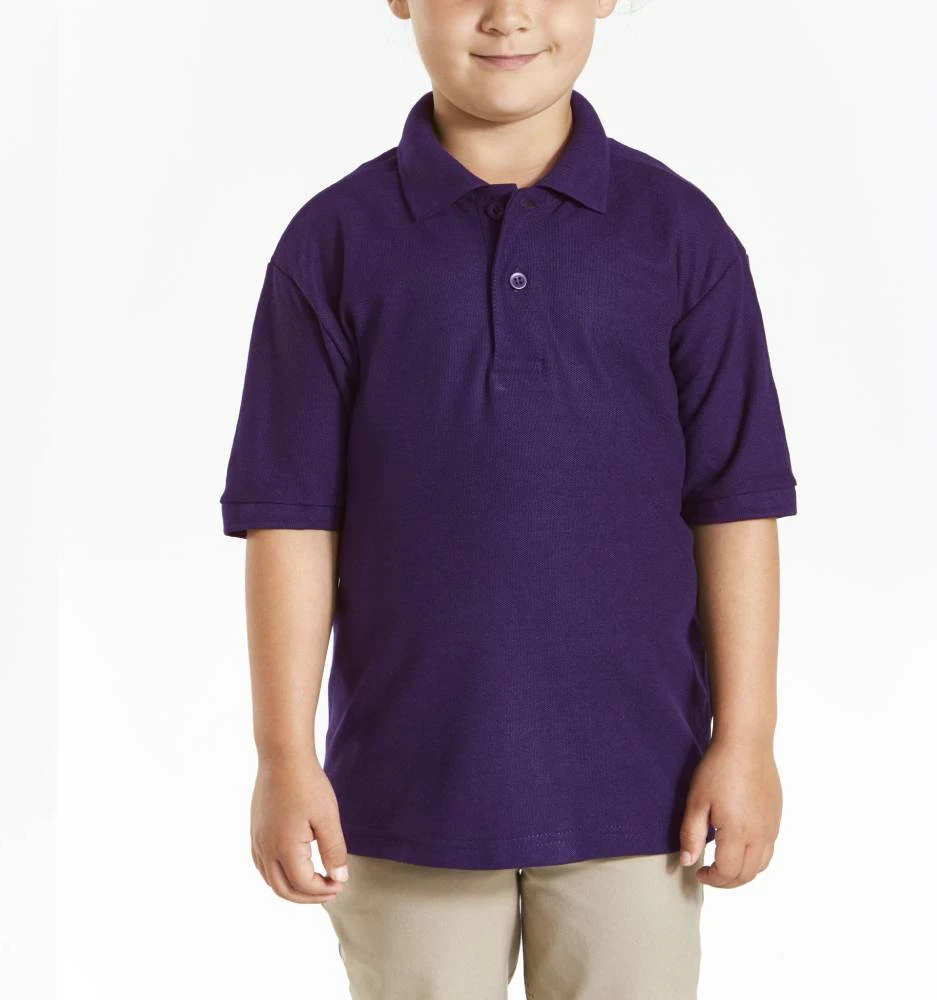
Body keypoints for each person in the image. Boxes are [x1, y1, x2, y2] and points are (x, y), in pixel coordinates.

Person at [219, 1, 798, 996]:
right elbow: (290, 519)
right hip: (405, 796)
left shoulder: (681, 238)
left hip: (640, 795)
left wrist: (747, 741)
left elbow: (736, 506)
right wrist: (282, 755)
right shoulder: (334, 245)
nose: (507, 15)